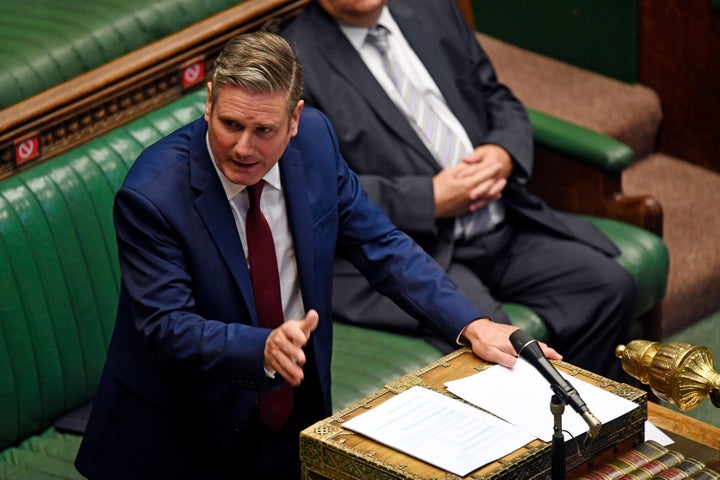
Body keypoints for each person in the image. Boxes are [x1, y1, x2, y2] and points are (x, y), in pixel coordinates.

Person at [74, 31, 560, 480]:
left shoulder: (316, 144)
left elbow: (381, 246)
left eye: (263, 130)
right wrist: (260, 348)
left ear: (295, 120)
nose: (243, 147)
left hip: (295, 409)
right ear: (208, 106)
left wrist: (471, 324)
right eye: (230, 124)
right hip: (182, 437)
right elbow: (167, 326)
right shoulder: (153, 194)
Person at [281, 0, 637, 381]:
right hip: (421, 248)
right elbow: (317, 184)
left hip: (503, 220)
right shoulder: (296, 60)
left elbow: (496, 95)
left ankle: (588, 425)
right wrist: (427, 198)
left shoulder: (430, 8)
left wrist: (504, 151)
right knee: (502, 348)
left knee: (610, 287)